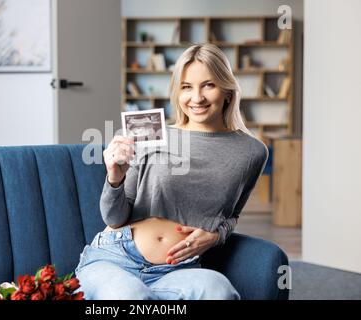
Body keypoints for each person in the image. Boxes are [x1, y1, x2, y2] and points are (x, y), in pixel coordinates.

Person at [74, 43, 268, 300]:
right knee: (132, 297)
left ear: (227, 91)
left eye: (208, 85)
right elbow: (114, 218)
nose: (196, 98)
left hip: (178, 268)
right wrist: (115, 177)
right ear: (178, 92)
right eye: (187, 87)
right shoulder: (149, 132)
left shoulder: (252, 151)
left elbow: (231, 216)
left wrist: (216, 236)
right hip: (116, 257)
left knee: (219, 291)